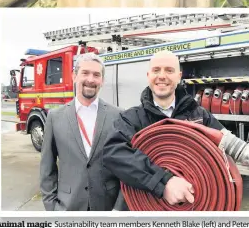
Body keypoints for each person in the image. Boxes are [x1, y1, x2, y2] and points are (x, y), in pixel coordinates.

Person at [102, 50, 224, 208]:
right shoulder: (131, 119)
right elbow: (114, 153)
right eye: (156, 70)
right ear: (148, 75)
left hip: (191, 208)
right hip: (146, 212)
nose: (162, 76)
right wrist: (164, 183)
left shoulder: (200, 115)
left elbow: (223, 149)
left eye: (169, 70)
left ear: (179, 76)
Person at [39, 52, 122, 211]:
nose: (90, 79)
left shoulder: (118, 116)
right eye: (85, 73)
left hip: (108, 209)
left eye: (96, 75)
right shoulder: (55, 118)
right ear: (74, 76)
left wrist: (118, 209)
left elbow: (125, 167)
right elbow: (47, 170)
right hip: (68, 208)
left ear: (102, 81)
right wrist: (53, 210)